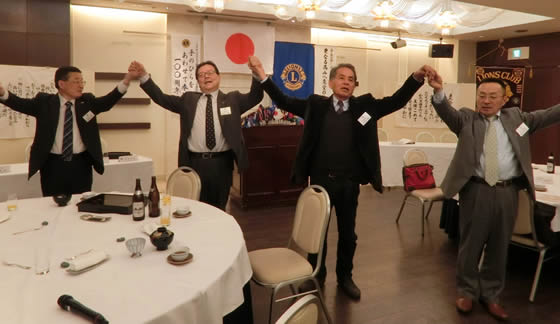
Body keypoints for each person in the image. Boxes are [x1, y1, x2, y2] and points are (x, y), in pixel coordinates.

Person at [248, 55, 435, 300]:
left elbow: (396, 101)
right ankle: (316, 275)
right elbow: (283, 100)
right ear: (331, 82)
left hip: (349, 182)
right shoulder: (315, 105)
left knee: (348, 234)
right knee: (318, 232)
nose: (346, 82)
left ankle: (345, 277)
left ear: (355, 85)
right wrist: (262, 75)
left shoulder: (365, 106)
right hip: (320, 181)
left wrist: (416, 78)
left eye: (351, 79)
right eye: (341, 78)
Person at [427, 75, 560, 321]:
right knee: (471, 245)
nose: (486, 101)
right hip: (476, 190)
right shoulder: (466, 119)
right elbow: (446, 112)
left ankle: (491, 295)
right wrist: (438, 92)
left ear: (503, 99)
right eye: (482, 96)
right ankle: (466, 292)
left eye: (492, 96)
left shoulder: (518, 119)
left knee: (500, 246)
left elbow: (548, 115)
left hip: (508, 192)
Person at [129, 60, 263, 211]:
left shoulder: (233, 100)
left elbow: (255, 97)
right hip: (194, 163)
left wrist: (256, 73)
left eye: (210, 73)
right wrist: (143, 76)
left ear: (218, 77)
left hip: (222, 164)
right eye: (201, 75)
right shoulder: (188, 100)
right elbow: (161, 98)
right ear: (198, 81)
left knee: (219, 208)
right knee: (195, 207)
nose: (206, 76)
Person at [0, 66, 137, 196]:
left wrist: (127, 80)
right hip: (52, 165)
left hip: (81, 164)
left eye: (82, 82)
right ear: (61, 84)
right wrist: (2, 93)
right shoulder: (44, 102)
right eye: (76, 81)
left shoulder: (87, 101)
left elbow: (108, 101)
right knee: (52, 203)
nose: (81, 85)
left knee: (80, 202)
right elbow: (20, 104)